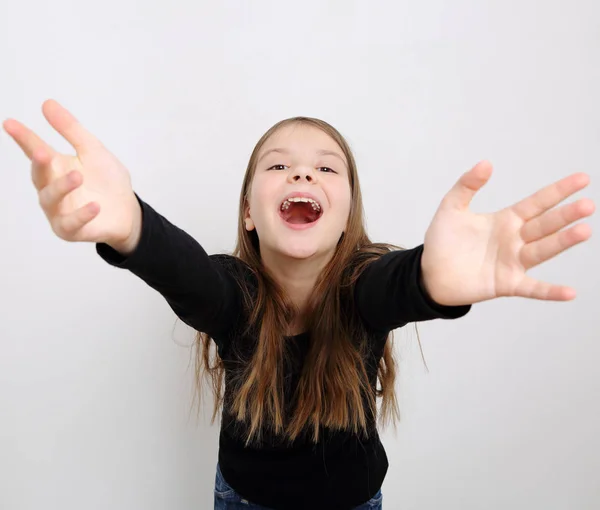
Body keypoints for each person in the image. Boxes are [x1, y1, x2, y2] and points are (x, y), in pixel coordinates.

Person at [3, 100, 594, 510]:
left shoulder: (365, 285)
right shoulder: (232, 292)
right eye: (279, 165)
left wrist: (428, 281)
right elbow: (190, 277)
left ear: (345, 219)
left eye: (325, 168)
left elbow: (393, 286)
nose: (302, 171)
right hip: (242, 497)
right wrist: (133, 227)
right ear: (248, 214)